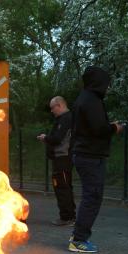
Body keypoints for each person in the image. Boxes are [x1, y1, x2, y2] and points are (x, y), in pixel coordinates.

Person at [69, 66, 123, 253]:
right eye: (106, 84)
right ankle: (78, 240)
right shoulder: (91, 101)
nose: (107, 88)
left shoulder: (83, 99)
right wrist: (114, 128)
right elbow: (98, 129)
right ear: (99, 83)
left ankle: (78, 234)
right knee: (92, 197)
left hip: (85, 154)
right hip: (90, 156)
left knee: (90, 196)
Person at [37, 96, 76, 226]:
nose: (52, 111)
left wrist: (45, 138)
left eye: (52, 108)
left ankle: (68, 217)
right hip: (60, 159)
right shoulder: (63, 119)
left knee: (63, 187)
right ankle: (67, 216)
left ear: (59, 105)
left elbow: (58, 138)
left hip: (63, 159)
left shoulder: (66, 119)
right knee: (60, 187)